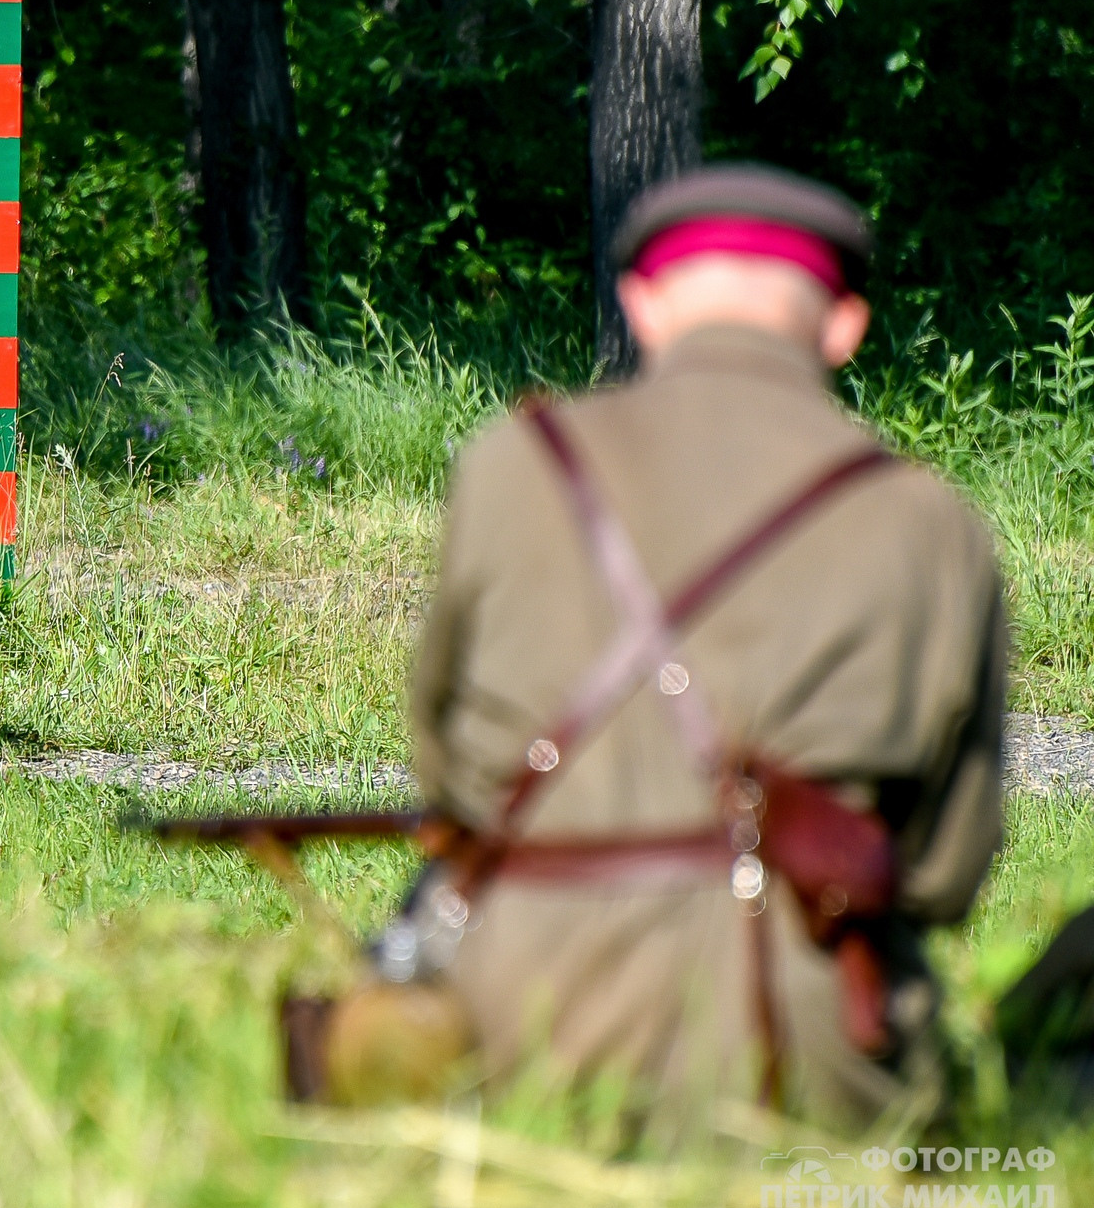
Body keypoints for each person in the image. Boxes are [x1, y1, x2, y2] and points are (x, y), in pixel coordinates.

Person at [405, 165, 1005, 1132]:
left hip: (514, 1042)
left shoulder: (516, 461)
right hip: (805, 1065)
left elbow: (443, 764)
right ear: (845, 324)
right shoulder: (930, 518)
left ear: (641, 306)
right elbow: (945, 866)